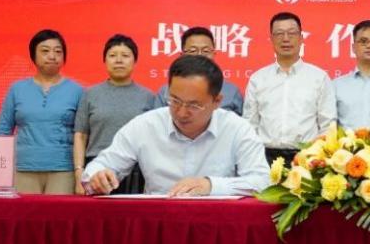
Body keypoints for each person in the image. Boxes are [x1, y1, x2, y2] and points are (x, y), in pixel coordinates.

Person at [82, 55, 269, 196]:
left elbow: (263, 182)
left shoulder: (237, 129)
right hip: (158, 221)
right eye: (175, 101)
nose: (181, 112)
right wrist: (98, 177)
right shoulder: (144, 125)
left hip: (217, 223)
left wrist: (211, 185)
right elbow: (98, 168)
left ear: (217, 101)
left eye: (194, 105)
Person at [0, 28, 83, 194]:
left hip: (63, 169)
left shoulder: (77, 91)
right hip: (23, 168)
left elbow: (81, 133)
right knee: (25, 212)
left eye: (58, 51)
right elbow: (3, 130)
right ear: (33, 56)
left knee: (60, 211)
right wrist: (3, 167)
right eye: (45, 51)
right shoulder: (17, 89)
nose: (52, 56)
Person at [243, 11, 336, 165]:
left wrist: (318, 158)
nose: (285, 38)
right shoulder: (258, 79)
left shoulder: (319, 77)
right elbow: (250, 124)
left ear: (301, 38)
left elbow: (328, 125)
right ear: (271, 39)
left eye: (291, 33)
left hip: (307, 157)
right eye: (279, 33)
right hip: (265, 157)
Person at [72, 34, 155, 194]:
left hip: (135, 171)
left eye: (125, 55)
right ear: (105, 60)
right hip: (96, 169)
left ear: (135, 61)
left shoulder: (148, 97)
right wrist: (79, 173)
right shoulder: (90, 94)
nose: (118, 60)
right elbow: (80, 135)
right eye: (112, 55)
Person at [152, 26, 245, 115]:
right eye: (193, 51)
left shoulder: (232, 91)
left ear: (214, 53)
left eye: (205, 51)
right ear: (182, 55)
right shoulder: (166, 91)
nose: (200, 55)